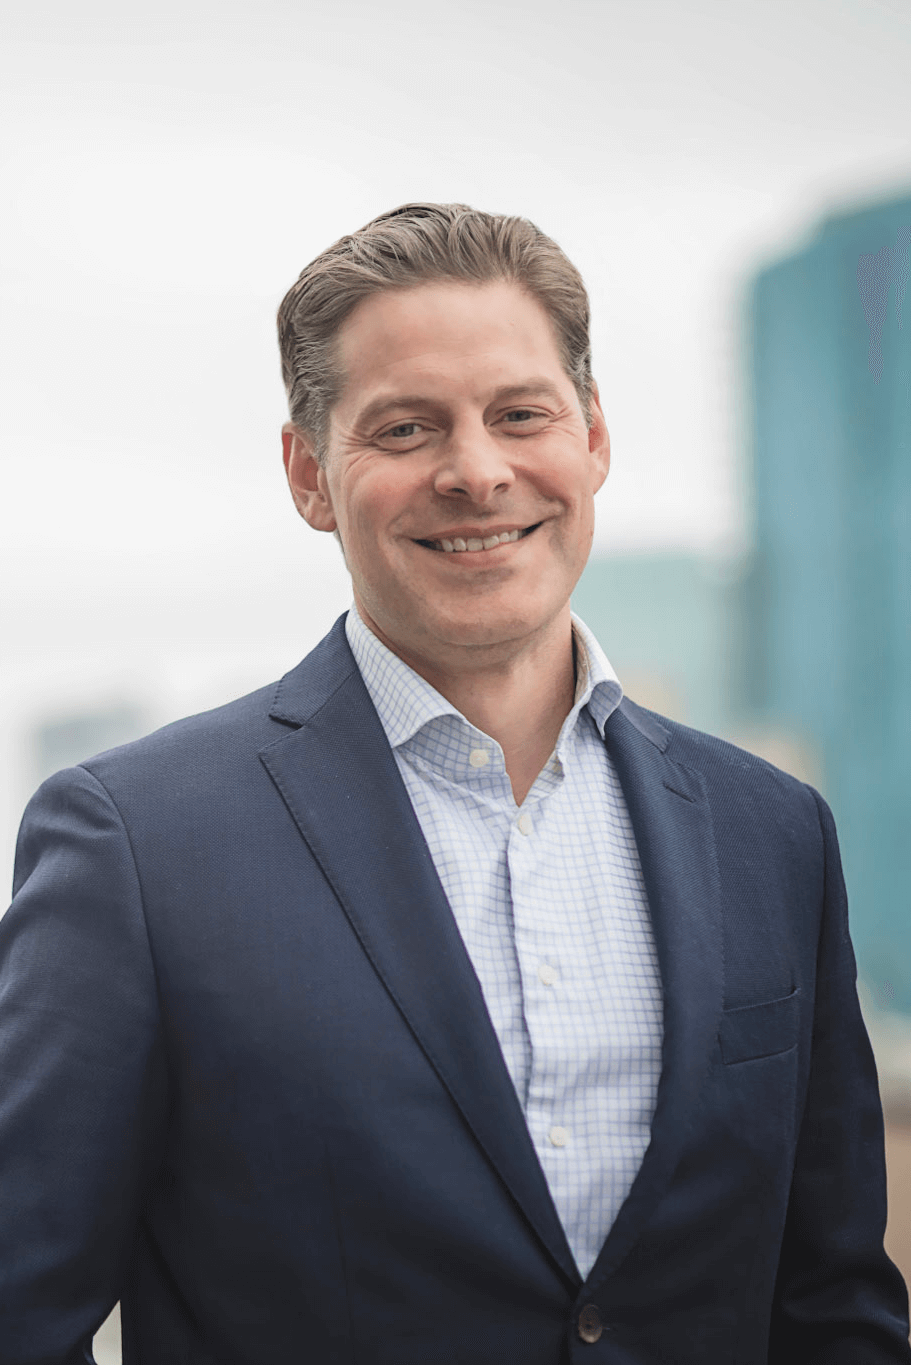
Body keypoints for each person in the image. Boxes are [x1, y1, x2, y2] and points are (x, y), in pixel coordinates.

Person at [1, 203, 909, 1365]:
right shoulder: (137, 846)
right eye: (405, 428)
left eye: (519, 415)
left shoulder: (771, 830)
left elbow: (831, 1304)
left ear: (592, 440)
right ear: (308, 474)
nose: (475, 472)